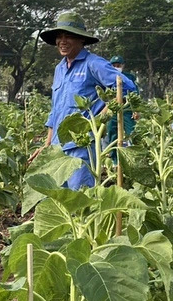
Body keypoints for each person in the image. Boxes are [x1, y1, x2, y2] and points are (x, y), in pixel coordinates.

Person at [37, 11, 138, 188]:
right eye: (59, 37)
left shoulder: (93, 63)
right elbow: (55, 110)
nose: (62, 41)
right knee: (60, 203)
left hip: (82, 147)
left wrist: (102, 116)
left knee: (81, 201)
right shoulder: (59, 69)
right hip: (58, 149)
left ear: (81, 39)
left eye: (68, 36)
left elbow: (126, 87)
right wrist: (47, 145)